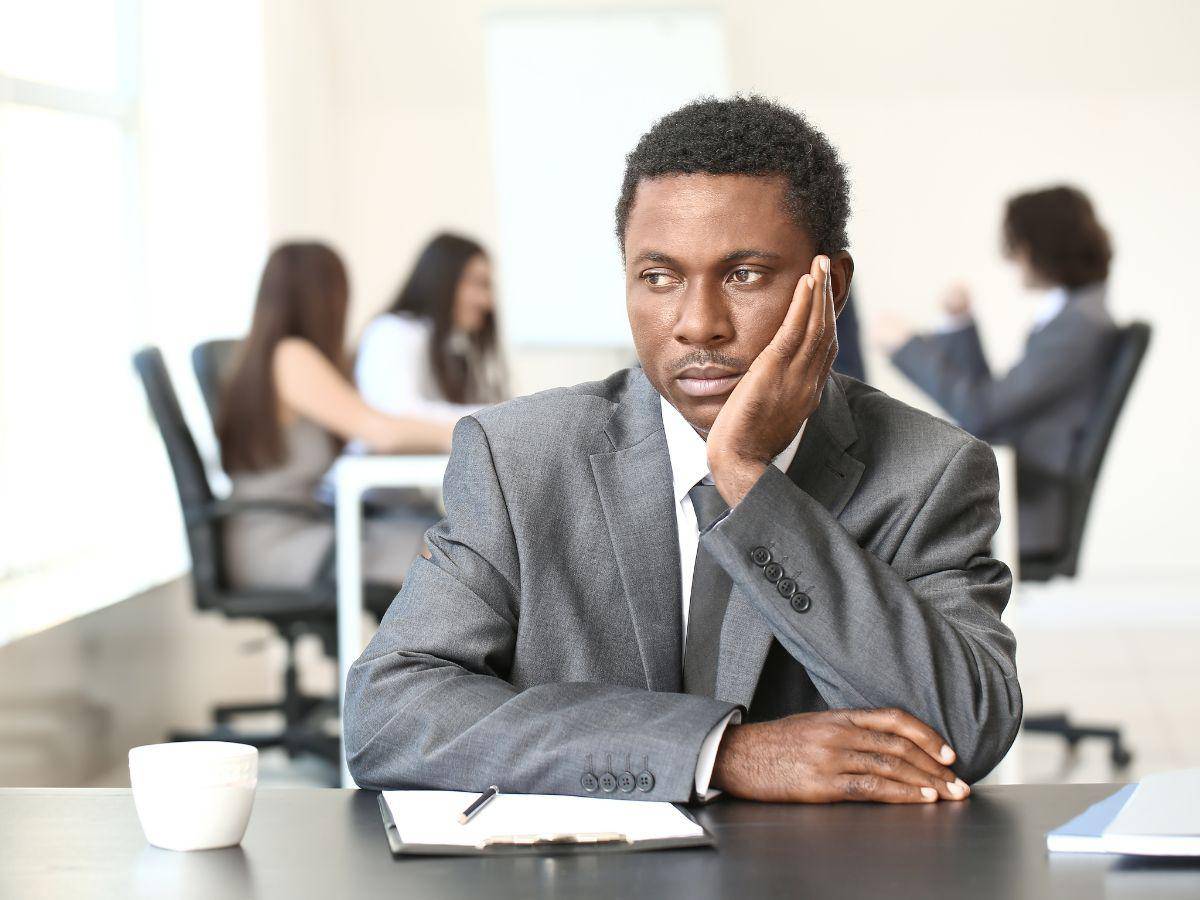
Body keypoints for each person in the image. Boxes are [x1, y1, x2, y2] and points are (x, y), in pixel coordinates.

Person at [345, 97, 1020, 805]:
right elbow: (389, 714)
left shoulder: (928, 471)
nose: (699, 325)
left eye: (744, 274)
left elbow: (965, 729)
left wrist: (748, 479)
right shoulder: (521, 458)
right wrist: (714, 752)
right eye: (659, 278)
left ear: (832, 287)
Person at [876, 186, 1117, 557]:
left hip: (1027, 506)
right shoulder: (1077, 315)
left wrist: (907, 348)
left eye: (1015, 245)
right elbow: (993, 407)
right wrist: (959, 324)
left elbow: (980, 413)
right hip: (1021, 492)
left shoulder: (1076, 326)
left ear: (1039, 246)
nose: (1011, 257)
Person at [216, 242, 455, 589]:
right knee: (447, 552)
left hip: (295, 530)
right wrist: (471, 429)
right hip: (279, 544)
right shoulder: (292, 357)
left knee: (431, 535)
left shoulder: (272, 355)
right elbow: (380, 431)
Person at [355, 232, 507, 424]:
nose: (486, 301)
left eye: (487, 286)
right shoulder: (392, 332)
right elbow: (397, 414)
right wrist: (496, 417)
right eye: (477, 284)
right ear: (441, 280)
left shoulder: (457, 345)